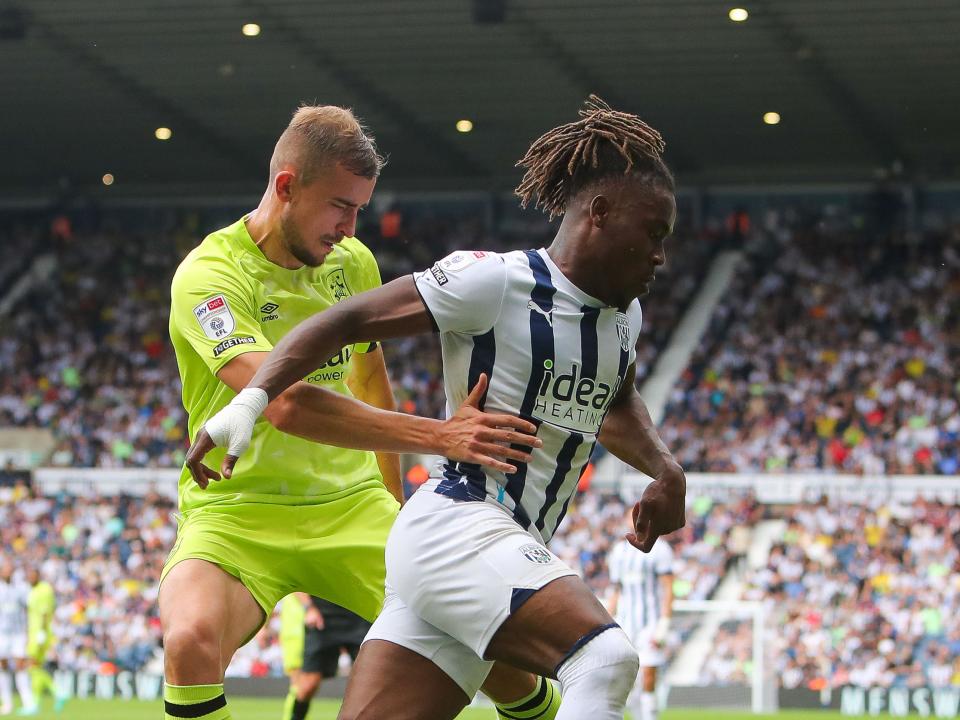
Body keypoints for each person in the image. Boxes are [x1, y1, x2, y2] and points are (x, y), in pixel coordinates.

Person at [188, 95, 688, 720]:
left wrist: (666, 470)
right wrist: (254, 398)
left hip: (476, 552)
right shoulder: (495, 281)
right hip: (460, 524)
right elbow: (346, 319)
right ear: (601, 213)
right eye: (654, 234)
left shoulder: (623, 317)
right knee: (605, 659)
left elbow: (615, 401)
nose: (662, 255)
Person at [162, 103, 548, 720]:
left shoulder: (353, 265)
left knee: (499, 657)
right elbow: (282, 400)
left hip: (352, 506)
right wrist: (441, 435)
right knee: (188, 642)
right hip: (236, 514)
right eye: (341, 205)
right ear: (287, 186)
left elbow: (370, 378)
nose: (350, 226)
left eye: (360, 209)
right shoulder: (209, 276)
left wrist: (394, 508)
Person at [607, 518, 675, 720]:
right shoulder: (619, 551)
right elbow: (616, 590)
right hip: (625, 623)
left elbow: (668, 588)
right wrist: (608, 619)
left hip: (650, 623)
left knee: (648, 675)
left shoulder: (660, 549)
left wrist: (664, 622)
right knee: (626, 678)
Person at [24, 568, 63, 715]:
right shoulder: (33, 590)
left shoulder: (44, 590)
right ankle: (36, 703)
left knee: (32, 665)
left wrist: (40, 634)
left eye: (32, 575)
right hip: (34, 632)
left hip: (40, 634)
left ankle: (57, 691)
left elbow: (45, 613)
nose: (30, 578)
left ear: (38, 575)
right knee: (35, 667)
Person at [0, 563, 35, 716]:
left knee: (21, 664)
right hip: (2, 633)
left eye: (10, 570)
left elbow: (27, 610)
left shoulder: (20, 589)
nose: (8, 572)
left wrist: (28, 632)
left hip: (18, 633)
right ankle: (7, 703)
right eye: (5, 570)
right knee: (3, 666)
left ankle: (28, 702)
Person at [278, 595, 306, 720]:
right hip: (297, 631)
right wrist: (310, 607)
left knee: (299, 683)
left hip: (294, 630)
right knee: (298, 683)